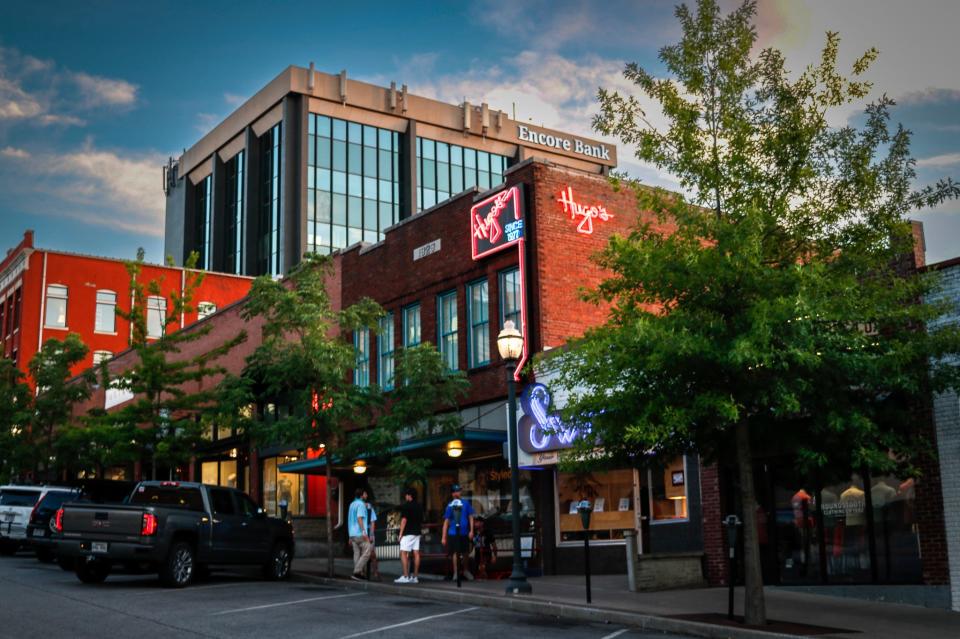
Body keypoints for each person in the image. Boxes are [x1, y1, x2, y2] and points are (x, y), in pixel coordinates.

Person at [441, 483, 475, 581]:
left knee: (465, 552)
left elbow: (471, 517)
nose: (457, 493)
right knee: (455, 552)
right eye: (455, 491)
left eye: (458, 491)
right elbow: (446, 521)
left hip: (464, 532)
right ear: (452, 494)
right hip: (453, 532)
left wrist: (471, 530)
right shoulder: (450, 505)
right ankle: (456, 572)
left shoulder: (466, 503)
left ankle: (465, 570)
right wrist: (443, 537)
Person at [395, 487, 423, 584]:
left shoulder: (406, 506)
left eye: (406, 495)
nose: (405, 497)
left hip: (408, 533)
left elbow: (404, 520)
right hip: (417, 532)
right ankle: (415, 577)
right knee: (416, 553)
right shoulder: (419, 506)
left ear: (409, 496)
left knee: (403, 552)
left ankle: (406, 576)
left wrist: (400, 533)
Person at [348, 487, 372, 580]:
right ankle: (357, 571)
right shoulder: (361, 504)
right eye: (365, 494)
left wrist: (350, 536)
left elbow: (350, 520)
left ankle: (359, 574)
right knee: (367, 551)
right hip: (359, 533)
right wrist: (364, 532)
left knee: (356, 553)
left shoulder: (352, 504)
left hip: (352, 534)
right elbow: (359, 518)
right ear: (362, 496)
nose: (366, 495)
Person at [366, 494, 382, 581]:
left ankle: (374, 572)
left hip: (365, 533)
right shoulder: (364, 507)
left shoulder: (369, 508)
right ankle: (371, 572)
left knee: (371, 554)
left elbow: (372, 522)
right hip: (364, 533)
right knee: (368, 555)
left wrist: (371, 534)